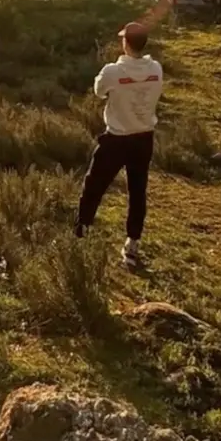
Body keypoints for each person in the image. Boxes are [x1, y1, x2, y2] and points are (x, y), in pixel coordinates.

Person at [74, 21, 163, 268]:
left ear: (125, 43)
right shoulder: (156, 68)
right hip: (144, 137)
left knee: (93, 186)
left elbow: (99, 91)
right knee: (137, 192)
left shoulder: (113, 71)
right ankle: (132, 245)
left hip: (117, 138)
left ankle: (81, 234)